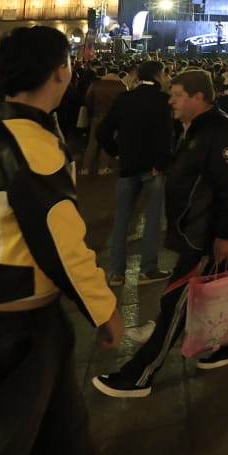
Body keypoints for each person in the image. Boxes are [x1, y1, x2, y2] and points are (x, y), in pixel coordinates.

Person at [0, 26, 122, 455]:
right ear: (60, 71)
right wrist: (102, 308)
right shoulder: (31, 144)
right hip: (16, 327)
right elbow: (62, 242)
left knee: (60, 439)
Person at [93, 68, 228, 398]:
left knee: (174, 304)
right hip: (195, 227)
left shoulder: (219, 131)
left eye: (178, 95)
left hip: (204, 234)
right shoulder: (194, 127)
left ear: (198, 97)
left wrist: (224, 234)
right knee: (223, 283)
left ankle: (139, 375)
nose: (171, 100)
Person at [96, 60, 174, 287]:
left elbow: (102, 132)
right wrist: (162, 163)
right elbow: (164, 136)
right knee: (152, 219)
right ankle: (147, 269)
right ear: (159, 76)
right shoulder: (162, 101)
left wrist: (117, 152)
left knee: (121, 220)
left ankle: (117, 273)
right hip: (153, 168)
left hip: (128, 166)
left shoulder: (125, 98)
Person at [82, 63, 127, 175]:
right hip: (112, 118)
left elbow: (88, 98)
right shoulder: (121, 86)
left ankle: (85, 168)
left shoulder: (96, 84)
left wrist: (93, 109)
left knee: (92, 142)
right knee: (107, 141)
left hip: (97, 115)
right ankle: (102, 168)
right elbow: (125, 103)